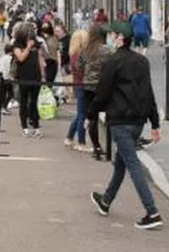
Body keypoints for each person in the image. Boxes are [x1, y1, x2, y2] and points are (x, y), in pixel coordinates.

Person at [88, 21, 163, 230]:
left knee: (132, 165)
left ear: (120, 38)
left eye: (113, 34)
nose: (111, 36)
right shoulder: (142, 61)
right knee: (121, 163)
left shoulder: (113, 62)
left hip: (120, 120)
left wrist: (90, 115)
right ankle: (106, 200)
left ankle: (152, 211)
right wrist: (155, 123)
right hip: (138, 121)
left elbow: (102, 93)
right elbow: (149, 92)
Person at [82, 25, 113, 159]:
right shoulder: (107, 50)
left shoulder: (86, 49)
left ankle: (96, 147)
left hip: (88, 86)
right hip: (104, 86)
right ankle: (109, 147)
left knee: (92, 116)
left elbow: (79, 66)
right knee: (110, 114)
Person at [12, 22, 46, 138]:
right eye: (27, 34)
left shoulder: (36, 43)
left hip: (35, 76)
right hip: (23, 77)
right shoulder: (17, 44)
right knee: (24, 102)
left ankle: (36, 126)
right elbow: (20, 58)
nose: (30, 36)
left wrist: (43, 75)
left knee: (34, 102)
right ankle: (24, 128)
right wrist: (28, 47)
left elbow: (40, 58)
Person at [65, 30, 89, 151]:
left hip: (78, 84)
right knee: (82, 115)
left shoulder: (74, 53)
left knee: (80, 114)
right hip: (82, 85)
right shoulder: (79, 55)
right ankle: (81, 143)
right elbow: (82, 70)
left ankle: (69, 137)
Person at [0, 43, 15, 114]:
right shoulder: (11, 59)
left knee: (3, 93)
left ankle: (2, 106)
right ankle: (4, 106)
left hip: (1, 77)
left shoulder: (2, 58)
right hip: (8, 78)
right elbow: (10, 68)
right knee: (11, 94)